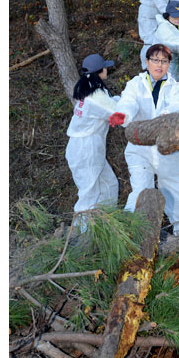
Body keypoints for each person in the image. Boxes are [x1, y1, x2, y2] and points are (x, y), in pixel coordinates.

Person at [110, 44, 179, 237]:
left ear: (169, 64)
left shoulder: (176, 88)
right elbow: (129, 101)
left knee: (177, 187)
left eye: (164, 61)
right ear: (147, 62)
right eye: (155, 60)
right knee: (141, 190)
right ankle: (130, 234)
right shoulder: (136, 83)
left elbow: (178, 107)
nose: (159, 65)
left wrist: (164, 118)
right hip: (139, 148)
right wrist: (122, 115)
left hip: (167, 148)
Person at [65, 54, 120, 233]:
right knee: (89, 194)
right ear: (99, 71)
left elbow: (109, 104)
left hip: (84, 147)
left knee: (109, 184)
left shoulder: (88, 88)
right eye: (105, 67)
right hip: (86, 149)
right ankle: (82, 236)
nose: (107, 70)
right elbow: (115, 112)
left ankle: (104, 227)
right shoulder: (95, 94)